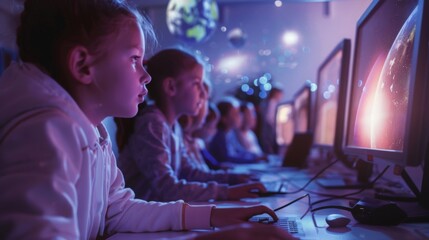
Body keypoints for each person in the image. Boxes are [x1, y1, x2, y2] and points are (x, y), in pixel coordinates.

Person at [0, 0, 295, 239]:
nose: (146, 75)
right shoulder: (45, 130)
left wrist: (213, 215)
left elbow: (118, 211)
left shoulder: (91, 130)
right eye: (134, 59)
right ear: (82, 65)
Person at [116, 48, 265, 202]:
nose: (204, 93)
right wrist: (226, 192)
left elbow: (190, 172)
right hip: (145, 221)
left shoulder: (173, 126)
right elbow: (167, 188)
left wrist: (234, 179)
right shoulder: (152, 124)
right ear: (171, 87)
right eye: (196, 84)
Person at [178, 81, 250, 184]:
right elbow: (194, 175)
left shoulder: (192, 141)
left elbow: (200, 172)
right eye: (203, 100)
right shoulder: (187, 141)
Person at [209, 96, 266, 164]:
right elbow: (226, 158)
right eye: (235, 114)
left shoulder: (231, 133)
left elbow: (240, 151)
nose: (241, 116)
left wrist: (255, 156)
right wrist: (254, 160)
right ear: (224, 118)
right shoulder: (219, 136)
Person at [257, 85, 284, 154]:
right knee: (269, 148)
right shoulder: (272, 103)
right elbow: (269, 118)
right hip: (269, 130)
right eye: (280, 94)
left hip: (267, 130)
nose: (281, 96)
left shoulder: (267, 103)